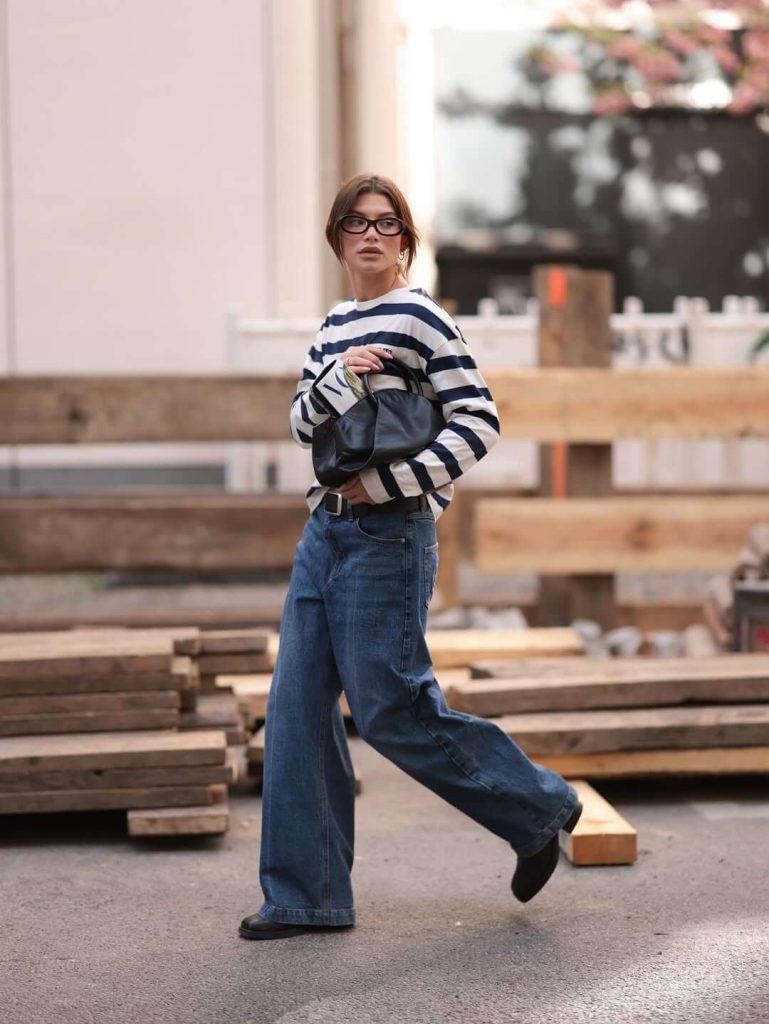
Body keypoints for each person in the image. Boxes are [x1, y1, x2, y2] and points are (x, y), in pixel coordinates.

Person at [239, 173, 581, 941]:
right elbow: (302, 423)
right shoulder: (331, 323)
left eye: (386, 223)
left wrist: (394, 480)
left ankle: (538, 807)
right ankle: (306, 896)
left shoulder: (422, 316)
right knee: (294, 711)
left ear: (404, 240)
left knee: (390, 709)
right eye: (356, 223)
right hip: (321, 535)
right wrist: (337, 375)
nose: (370, 234)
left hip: (387, 535)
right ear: (337, 239)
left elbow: (478, 420)